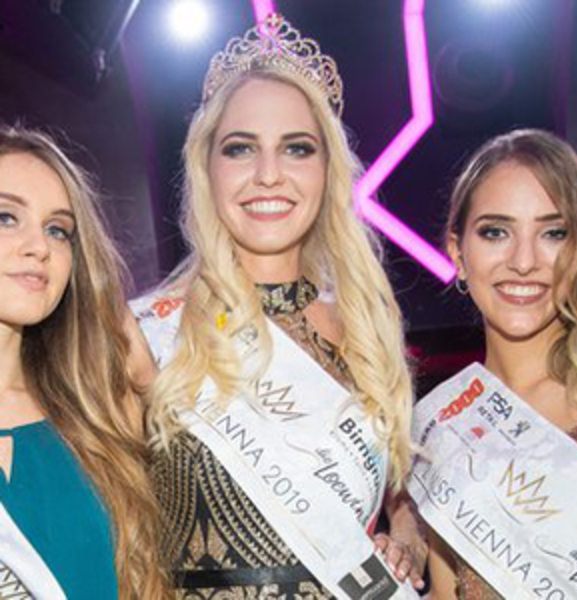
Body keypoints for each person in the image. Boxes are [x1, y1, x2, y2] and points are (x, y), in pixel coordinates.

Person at [130, 14, 423, 599]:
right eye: (241, 149)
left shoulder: (366, 332)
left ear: (327, 170)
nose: (269, 175)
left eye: (297, 148)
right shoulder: (146, 332)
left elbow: (397, 493)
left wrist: (408, 532)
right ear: (206, 168)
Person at [424, 128, 577, 598]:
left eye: (553, 233)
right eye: (496, 232)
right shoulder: (438, 428)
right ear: (458, 252)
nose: (524, 261)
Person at [0, 125, 167, 599]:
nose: (40, 247)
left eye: (58, 230)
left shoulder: (96, 415)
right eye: (6, 217)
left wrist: (145, 376)